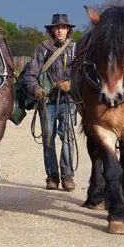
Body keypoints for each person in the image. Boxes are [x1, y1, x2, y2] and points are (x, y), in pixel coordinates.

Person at [24, 13, 77, 191]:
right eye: (57, 27)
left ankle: (68, 176)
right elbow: (30, 75)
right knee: (48, 140)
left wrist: (72, 84)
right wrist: (36, 89)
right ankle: (52, 177)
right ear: (52, 30)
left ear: (68, 30)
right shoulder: (42, 49)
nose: (60, 30)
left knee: (68, 138)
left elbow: (82, 74)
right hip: (46, 102)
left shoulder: (75, 49)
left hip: (68, 101)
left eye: (63, 27)